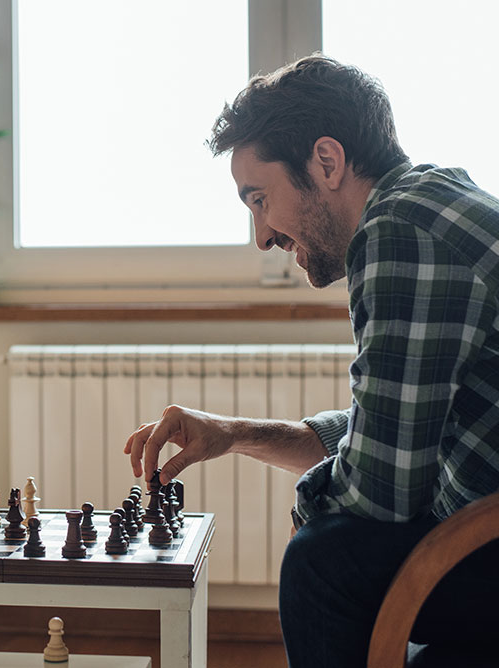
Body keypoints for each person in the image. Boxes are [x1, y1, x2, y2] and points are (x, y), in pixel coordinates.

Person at [125, 54, 499, 667]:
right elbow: (394, 436)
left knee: (324, 561)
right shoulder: (430, 201)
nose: (262, 236)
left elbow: (380, 492)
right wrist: (236, 435)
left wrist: (314, 509)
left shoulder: (400, 231)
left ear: (326, 162)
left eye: (259, 199)